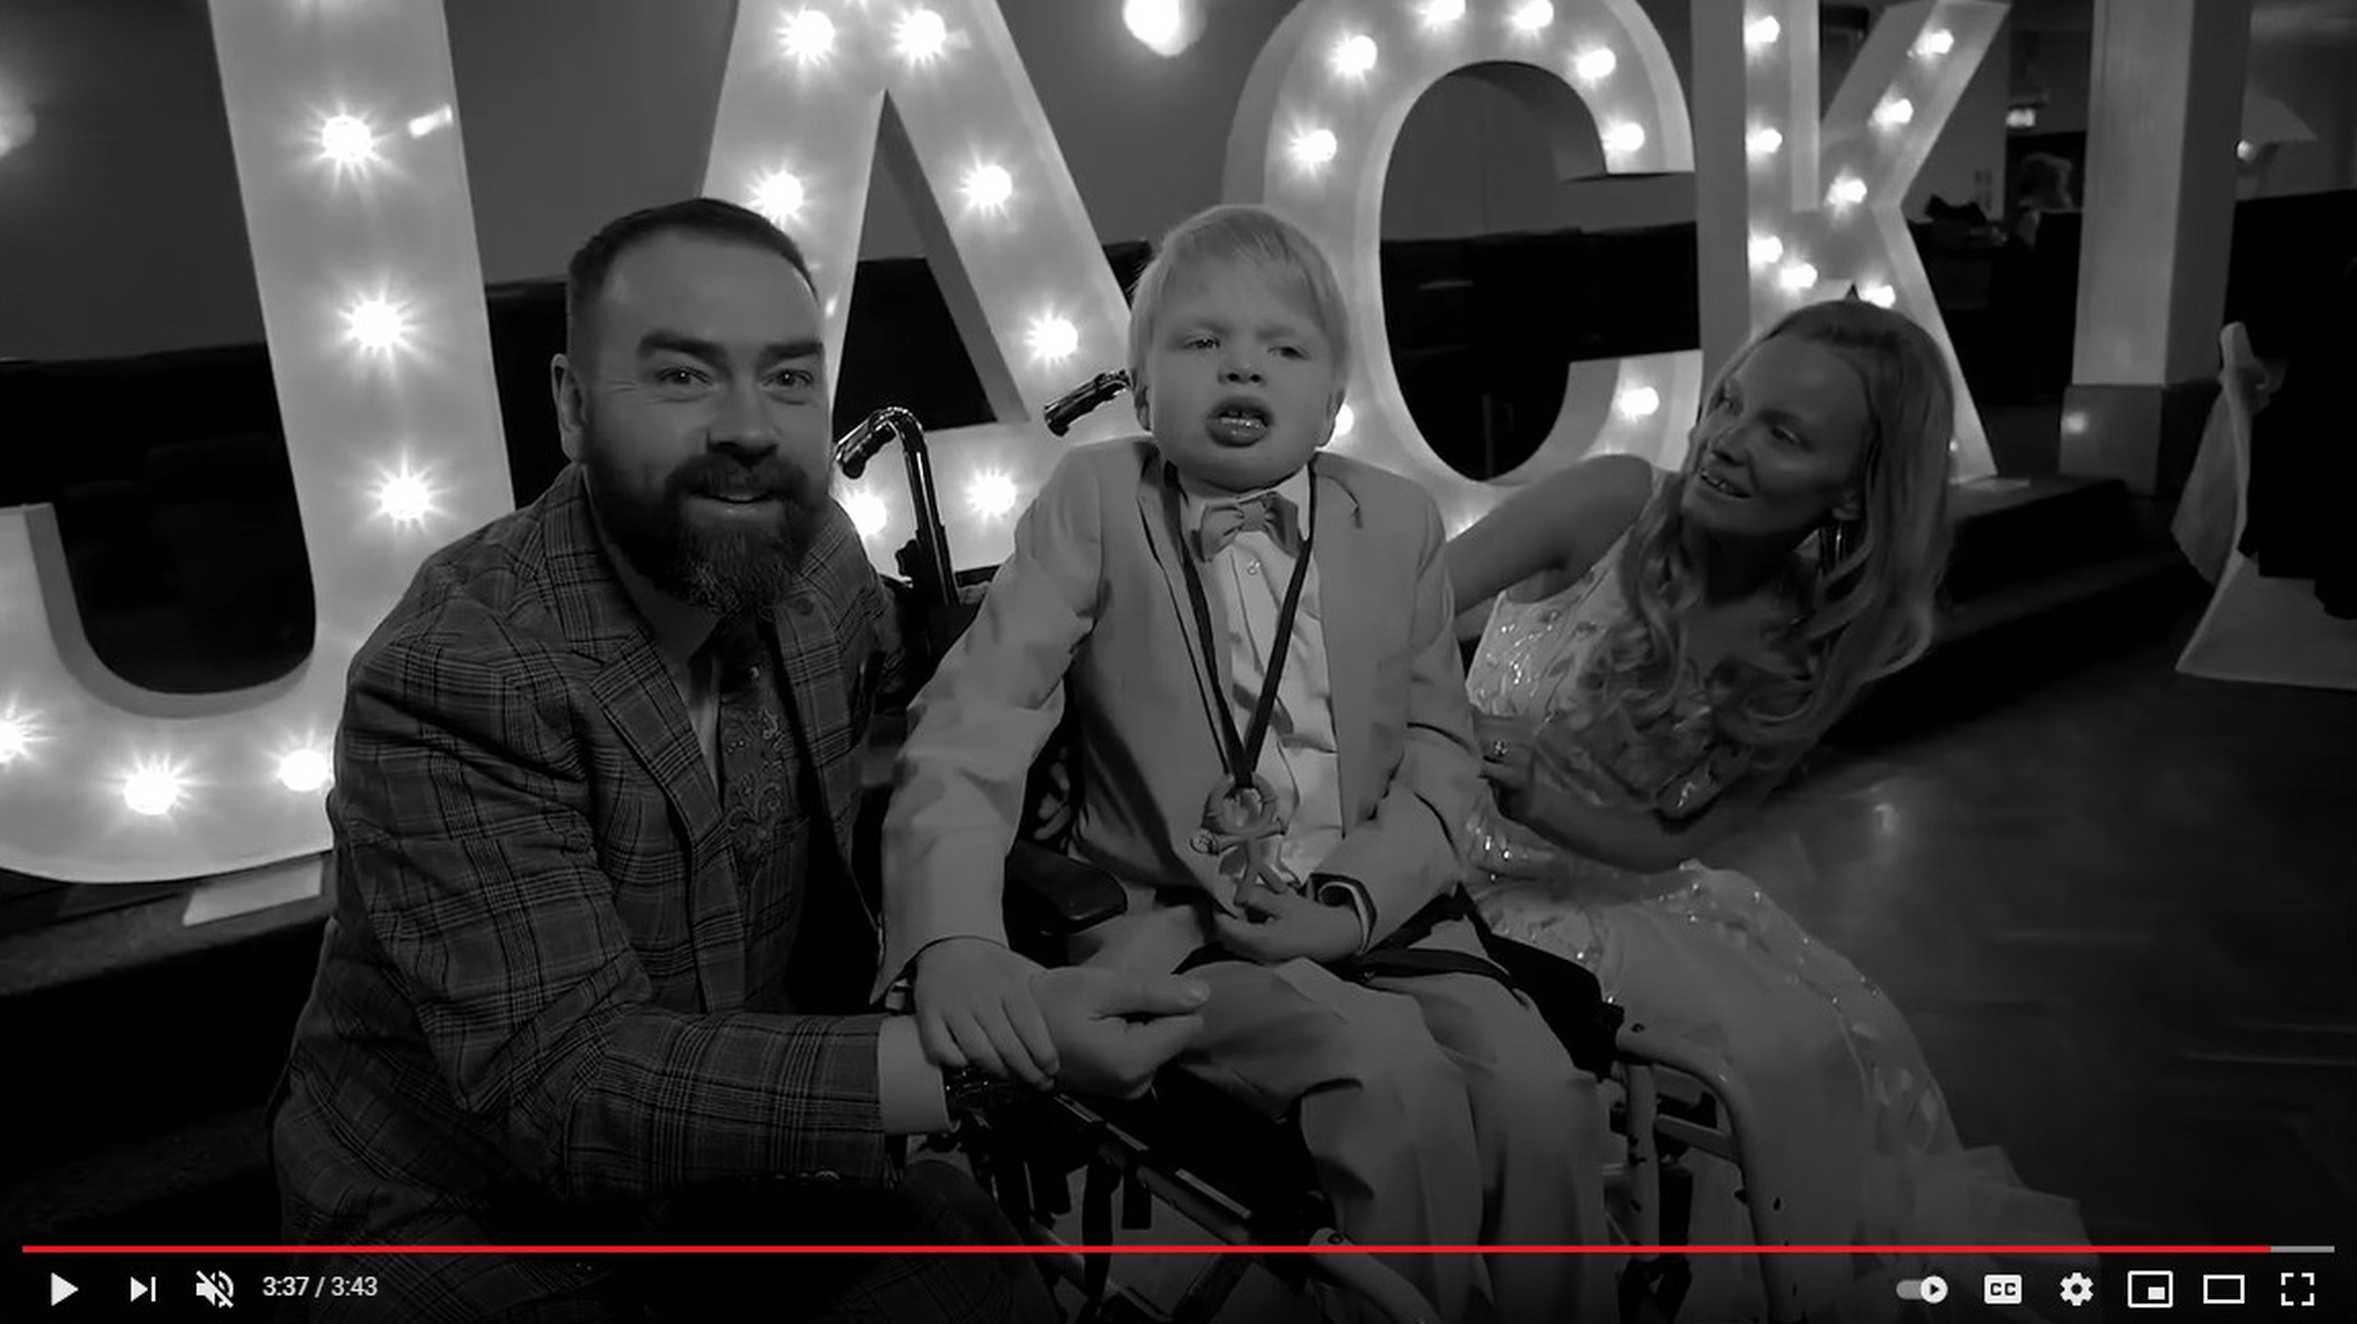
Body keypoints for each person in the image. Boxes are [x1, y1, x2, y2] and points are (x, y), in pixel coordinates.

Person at [266, 198, 1214, 1323]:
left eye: (787, 378)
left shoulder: (814, 565)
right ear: (571, 405)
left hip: (745, 1153)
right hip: (473, 1204)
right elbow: (573, 1091)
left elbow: (942, 747)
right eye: (681, 377)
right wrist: (967, 1067)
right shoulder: (456, 673)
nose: (749, 427)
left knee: (989, 1293)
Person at [874, 204, 1608, 1323]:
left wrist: (1351, 906)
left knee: (1541, 1096)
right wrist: (956, 935)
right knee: (1392, 1081)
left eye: (1282, 346)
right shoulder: (1094, 500)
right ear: (1138, 385)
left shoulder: (1397, 519)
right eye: (1200, 341)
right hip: (1177, 920)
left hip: (1385, 910)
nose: (1240, 365)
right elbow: (976, 717)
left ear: (1330, 401)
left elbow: (1437, 761)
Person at [1447, 298, 2087, 1319]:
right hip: (1437, 859)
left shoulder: (1811, 637)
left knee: (1800, 1060)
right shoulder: (1606, 502)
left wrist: (1538, 793)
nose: (1724, 444)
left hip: (1602, 892)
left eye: (1782, 435)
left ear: (1852, 491)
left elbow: (1672, 837)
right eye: (1728, 405)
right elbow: (1395, 617)